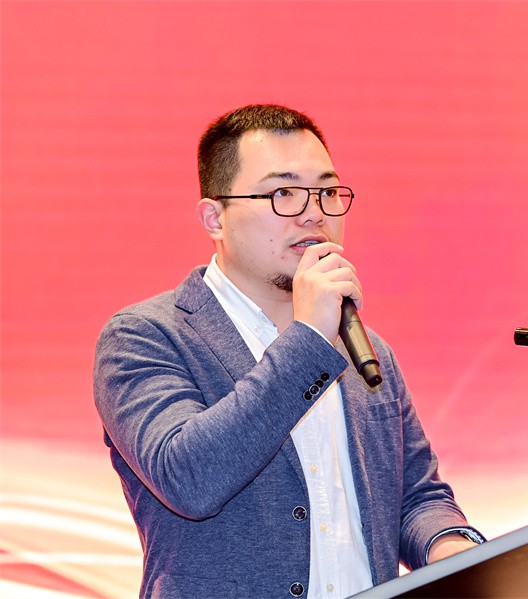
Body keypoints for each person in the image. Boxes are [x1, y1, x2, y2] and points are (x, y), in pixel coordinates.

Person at [93, 104, 482, 598]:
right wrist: (310, 339)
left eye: (327, 192)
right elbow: (189, 478)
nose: (315, 213)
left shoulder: (367, 350)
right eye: (284, 193)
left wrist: (449, 546)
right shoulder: (145, 336)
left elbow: (414, 496)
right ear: (214, 218)